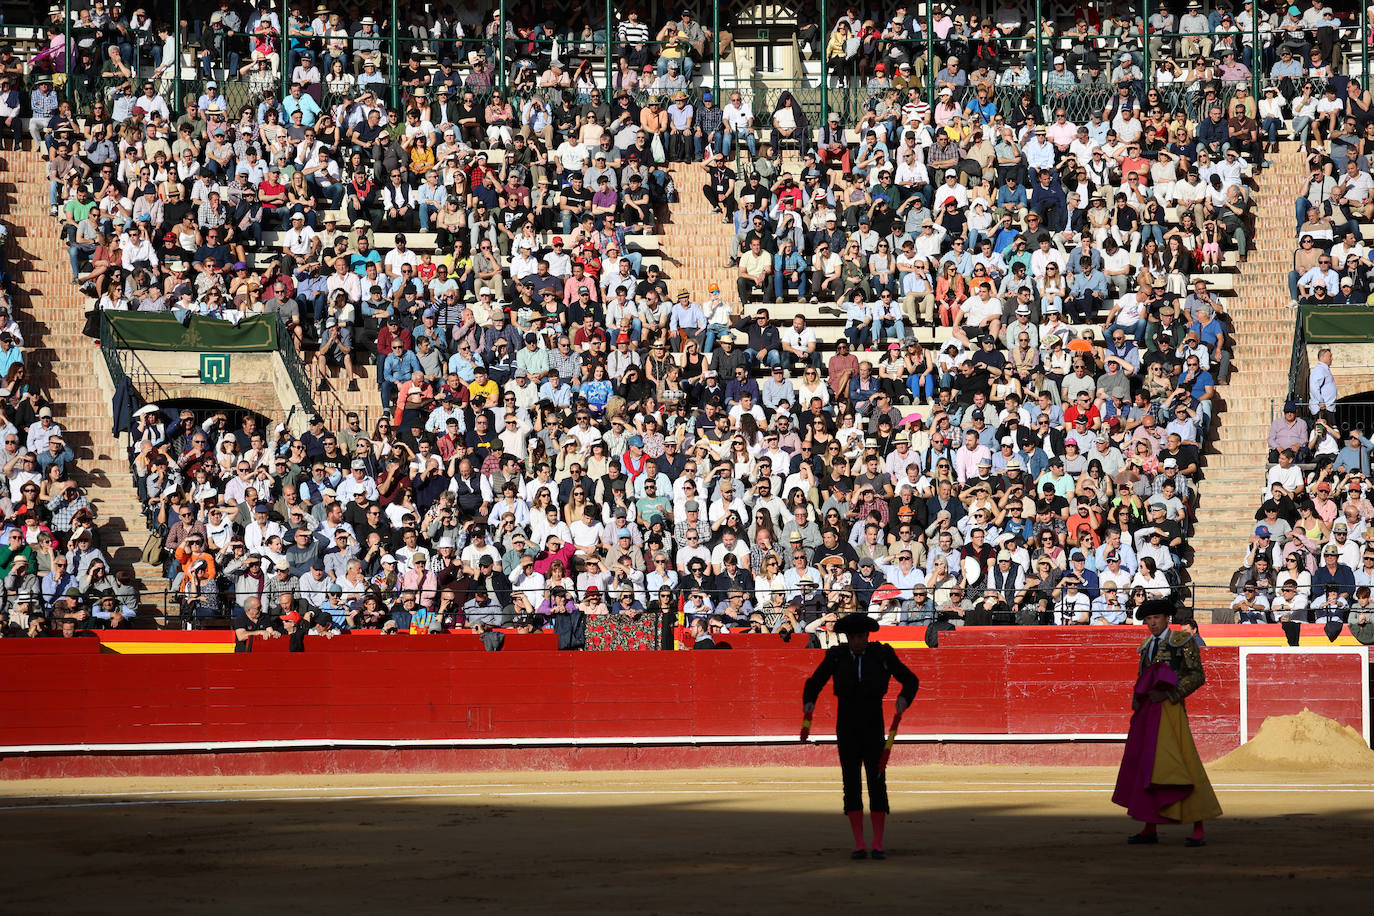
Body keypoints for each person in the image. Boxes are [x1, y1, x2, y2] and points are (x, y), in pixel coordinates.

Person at [801, 612, 920, 860]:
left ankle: (877, 843)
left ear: (867, 636)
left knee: (877, 783)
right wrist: (809, 704)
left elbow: (910, 680)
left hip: (873, 725)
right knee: (851, 782)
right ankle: (859, 843)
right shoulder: (836, 656)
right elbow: (814, 682)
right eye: (853, 637)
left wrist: (904, 698)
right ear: (847, 637)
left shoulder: (881, 655)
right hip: (846, 727)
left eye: (861, 636)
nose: (857, 641)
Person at [1112, 598, 1222, 846]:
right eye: (1148, 619)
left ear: (1167, 619)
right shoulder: (1146, 646)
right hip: (1149, 712)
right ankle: (1149, 827)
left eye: (1156, 618)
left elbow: (1197, 675)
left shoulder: (1181, 641)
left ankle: (1198, 828)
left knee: (1183, 764)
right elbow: (1142, 678)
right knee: (1148, 767)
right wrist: (1137, 702)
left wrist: (1171, 693)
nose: (1152, 623)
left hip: (1171, 710)